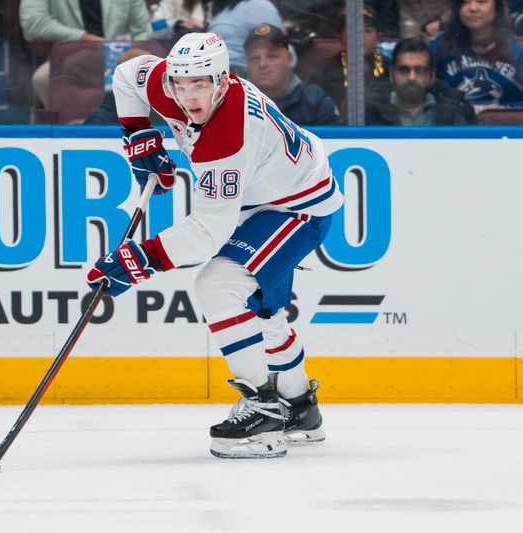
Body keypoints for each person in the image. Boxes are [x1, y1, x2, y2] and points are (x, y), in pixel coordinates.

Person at [85, 32, 342, 459]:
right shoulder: (169, 84)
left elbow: (208, 230)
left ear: (222, 80)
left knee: (218, 285)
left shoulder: (229, 132)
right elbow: (128, 74)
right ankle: (299, 409)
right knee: (264, 313)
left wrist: (140, 260)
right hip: (259, 198)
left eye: (200, 84)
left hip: (298, 206)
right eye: (180, 84)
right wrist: (138, 136)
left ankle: (263, 410)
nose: (188, 96)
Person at [19, 0, 152, 106]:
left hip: (120, 57)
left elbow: (143, 30)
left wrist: (127, 46)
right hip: (68, 58)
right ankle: (65, 133)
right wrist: (85, 38)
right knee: (42, 78)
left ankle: (140, 125)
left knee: (151, 73)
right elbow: (33, 23)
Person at [429, 0, 523, 112]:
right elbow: (427, 98)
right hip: (455, 127)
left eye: (482, 1)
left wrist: (506, 110)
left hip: (504, 127)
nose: (472, 8)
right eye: (464, 2)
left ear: (496, 6)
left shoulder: (516, 51)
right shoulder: (439, 46)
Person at [244, 23, 341, 125]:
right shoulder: (233, 101)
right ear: (246, 62)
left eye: (271, 56)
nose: (262, 64)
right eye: (254, 58)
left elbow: (337, 139)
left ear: (289, 58)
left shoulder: (315, 102)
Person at [366, 36, 477, 125]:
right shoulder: (370, 112)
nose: (412, 77)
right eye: (404, 70)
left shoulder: (458, 110)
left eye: (420, 70)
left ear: (432, 75)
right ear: (391, 74)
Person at [309, 6, 391, 113]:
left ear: (378, 37)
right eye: (352, 30)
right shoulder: (324, 71)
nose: (360, 37)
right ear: (339, 36)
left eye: (367, 31)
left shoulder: (390, 68)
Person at [206, 0, 282, 77]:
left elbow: (277, 53)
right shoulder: (224, 11)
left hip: (237, 71)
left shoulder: (262, 7)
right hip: (211, 69)